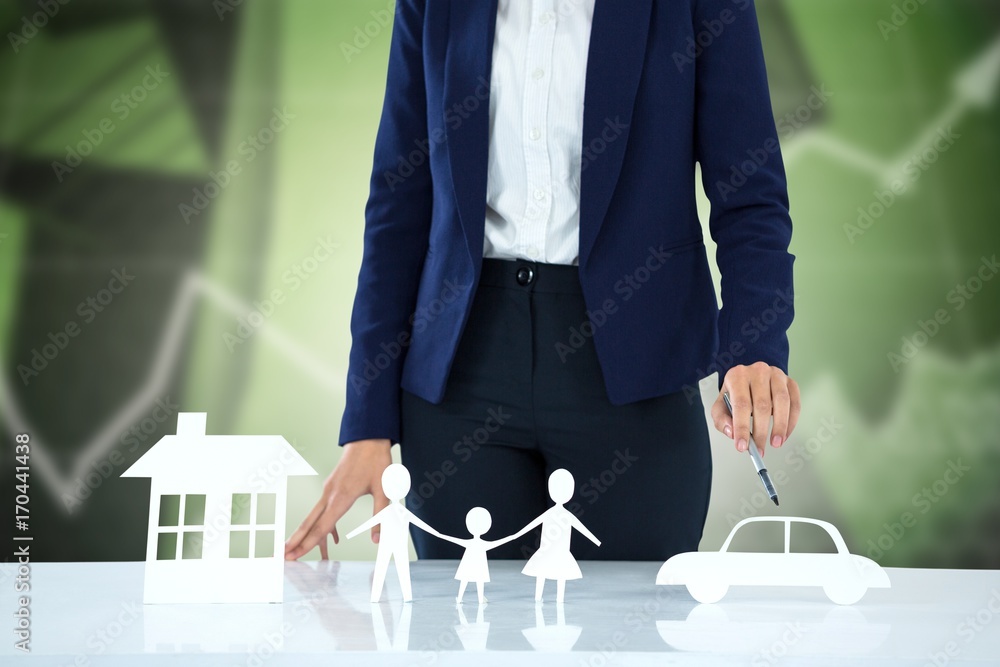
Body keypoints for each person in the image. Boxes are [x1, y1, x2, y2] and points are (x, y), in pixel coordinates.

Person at [285, 0, 801, 564]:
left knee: (634, 638)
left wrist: (754, 347)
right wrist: (368, 422)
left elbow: (749, 194)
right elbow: (396, 206)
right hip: (460, 376)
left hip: (635, 367)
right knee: (470, 634)